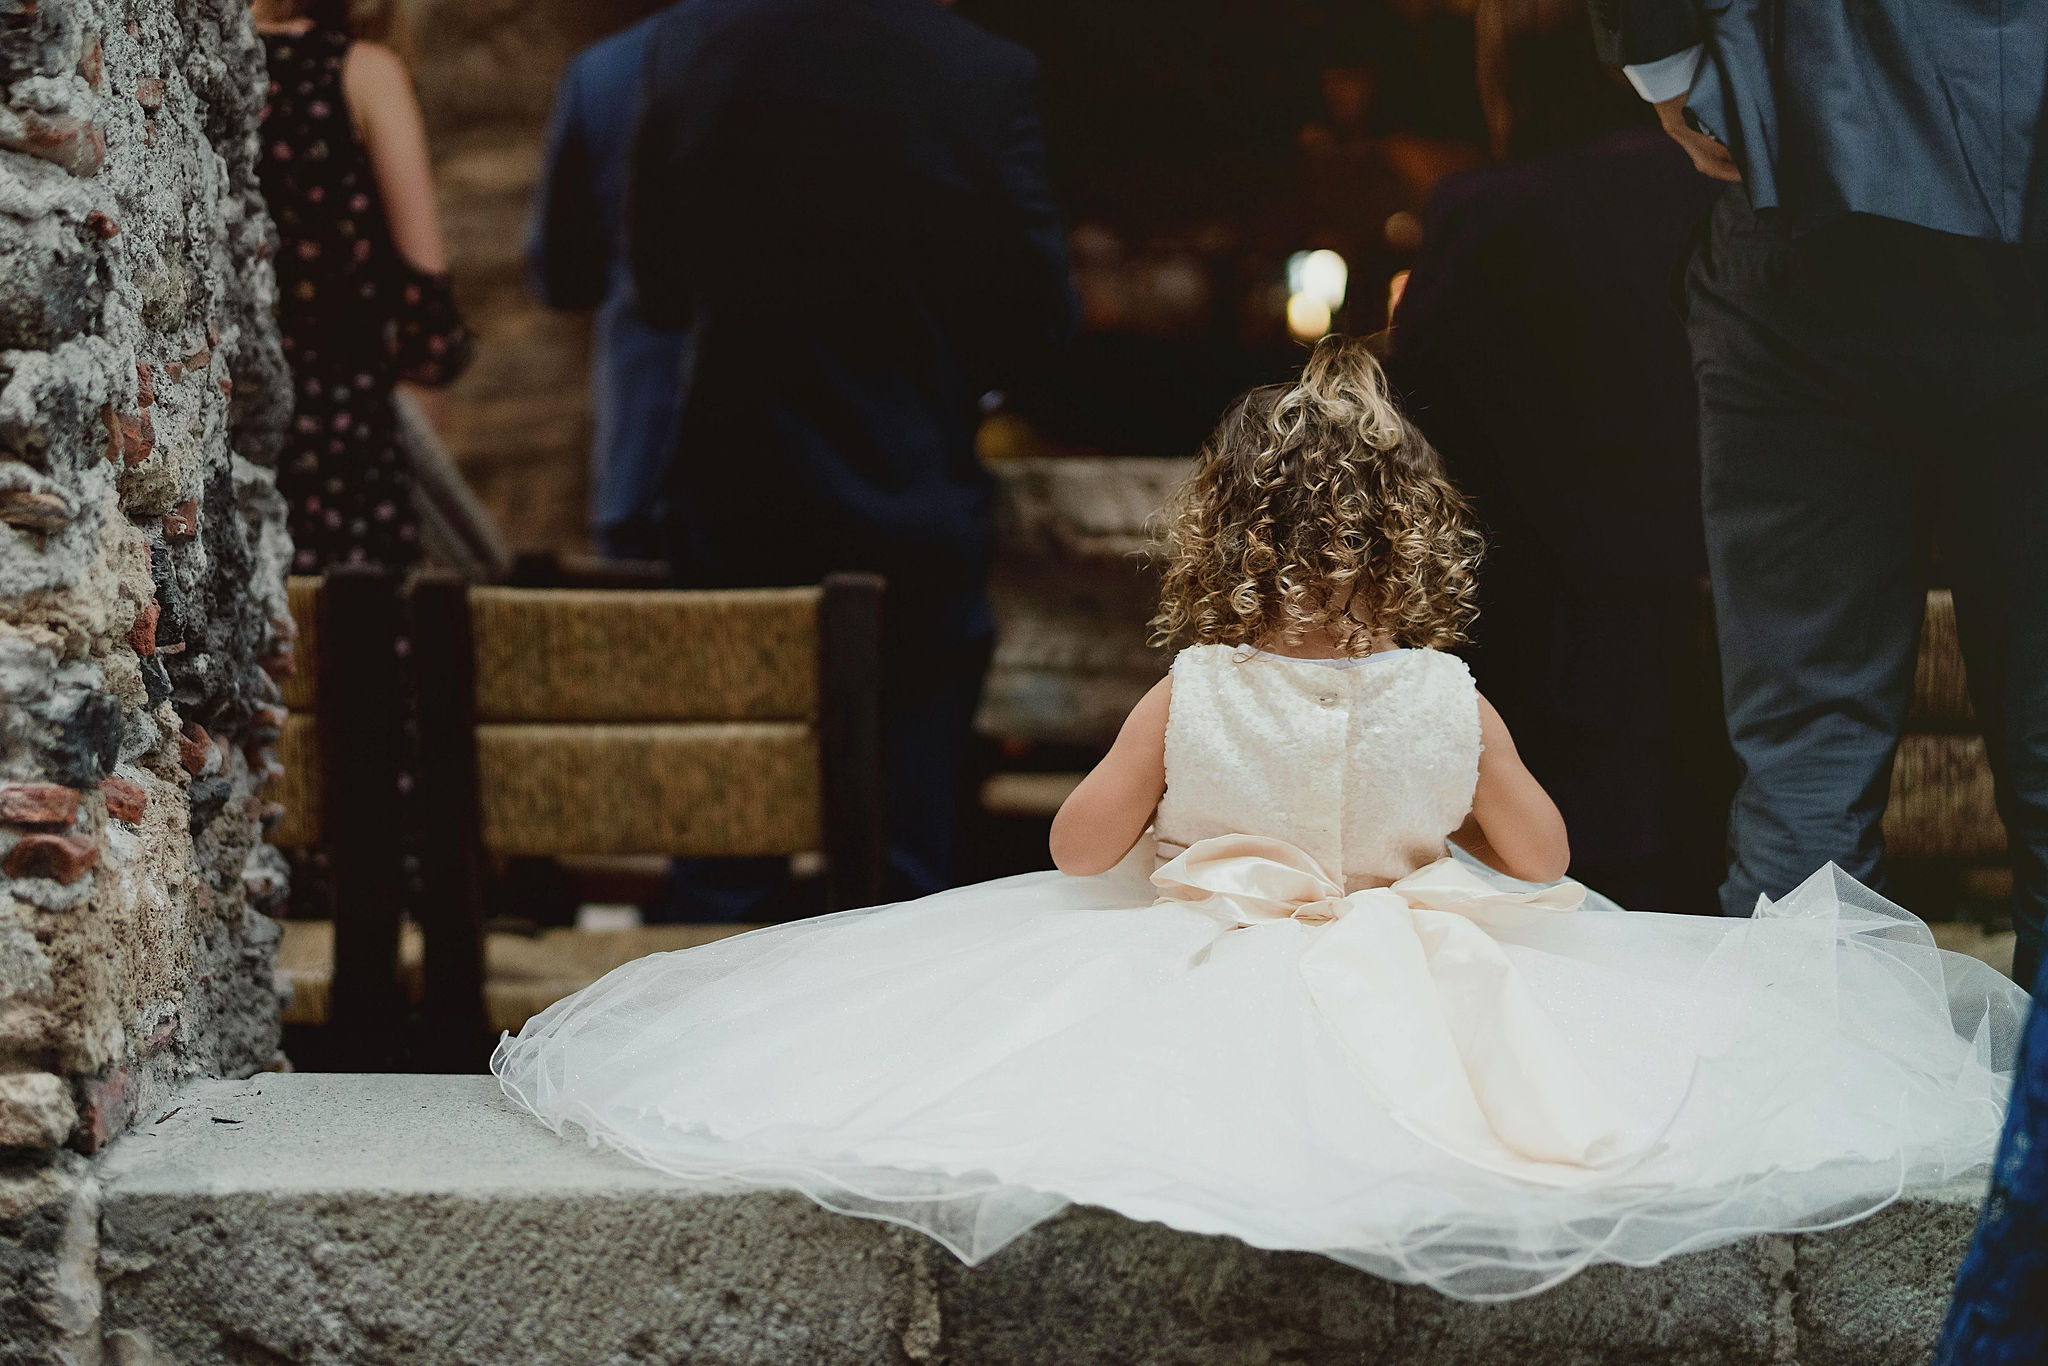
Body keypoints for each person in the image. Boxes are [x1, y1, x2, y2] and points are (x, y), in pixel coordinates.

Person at [495, 337, 2026, 1301]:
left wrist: (1172, 812)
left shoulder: (1195, 685)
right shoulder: (1450, 694)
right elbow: (1547, 859)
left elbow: (1077, 850)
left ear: (1226, 531)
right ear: (1411, 532)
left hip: (1215, 943)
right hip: (1426, 950)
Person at [1590, 0, 2048, 987]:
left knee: (1806, 735)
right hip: (2028, 203)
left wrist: (1664, 72)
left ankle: (1798, 1120)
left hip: (1802, 170)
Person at [627, 0, 1076, 911]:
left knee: (721, 847)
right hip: (908, 487)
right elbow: (1041, 317)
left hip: (734, 487)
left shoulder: (692, 46)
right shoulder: (979, 71)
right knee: (901, 863)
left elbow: (657, 284)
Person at [1388, 0, 1724, 911]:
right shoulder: (1727, 193)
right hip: (1717, 612)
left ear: (1513, 66)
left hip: (1536, 628)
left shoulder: (1492, 211)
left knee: (1550, 904)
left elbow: (1413, 424)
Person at [252, 0, 473, 576]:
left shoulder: (187, 72)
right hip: (343, 451)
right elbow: (428, 319)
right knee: (350, 648)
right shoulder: (363, 73)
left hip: (212, 440)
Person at [527, 17, 687, 562]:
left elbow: (563, 275)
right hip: (816, 470)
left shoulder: (604, 71)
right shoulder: (841, 61)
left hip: (645, 451)